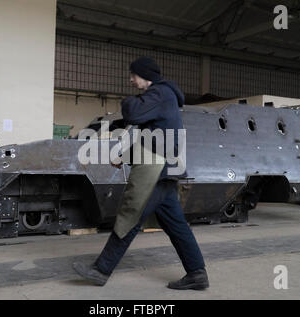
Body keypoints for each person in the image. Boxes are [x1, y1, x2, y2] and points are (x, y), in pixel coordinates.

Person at [73, 56, 208, 290]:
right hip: (164, 169)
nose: (131, 80)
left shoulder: (160, 93)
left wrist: (126, 102)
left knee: (130, 216)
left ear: (145, 76)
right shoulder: (163, 98)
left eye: (133, 75)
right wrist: (122, 154)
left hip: (155, 169)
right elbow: (148, 134)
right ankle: (197, 273)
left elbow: (134, 114)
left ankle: (100, 270)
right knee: (176, 225)